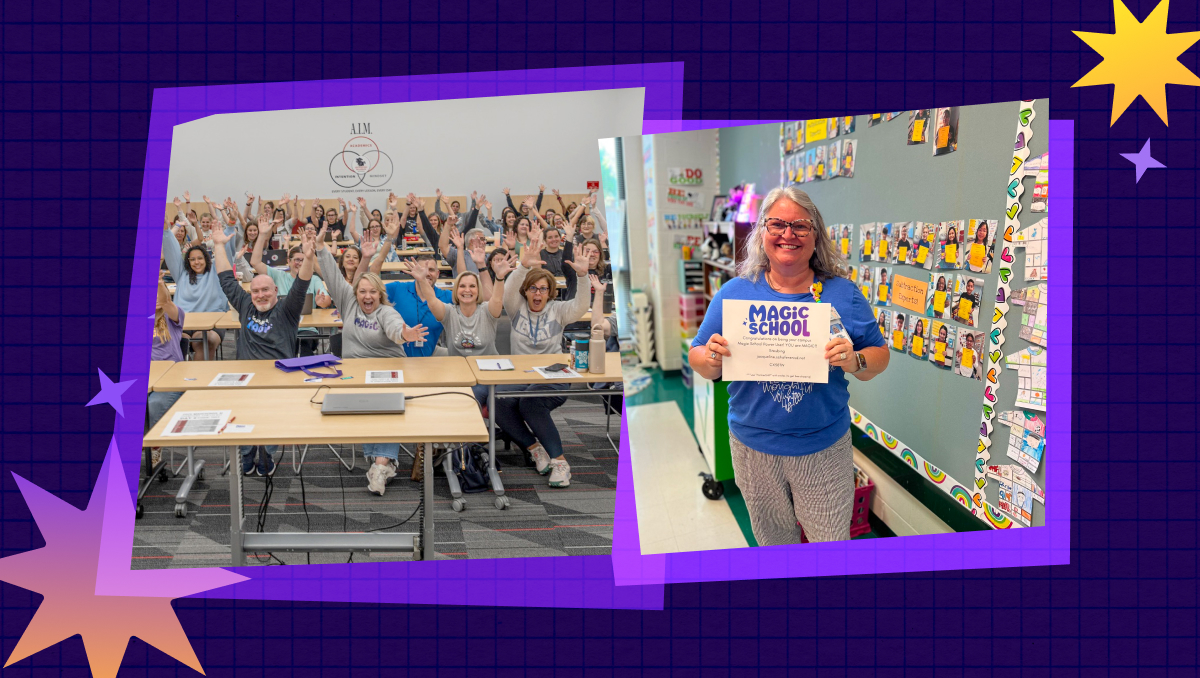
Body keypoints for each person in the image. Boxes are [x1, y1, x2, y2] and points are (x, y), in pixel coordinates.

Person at [688, 186, 889, 545]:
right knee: (773, 543)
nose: (788, 234)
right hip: (753, 448)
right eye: (777, 224)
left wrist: (855, 359)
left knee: (830, 543)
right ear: (762, 233)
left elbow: (879, 356)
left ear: (816, 235)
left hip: (823, 447)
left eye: (800, 225)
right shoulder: (734, 293)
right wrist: (710, 357)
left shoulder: (843, 294)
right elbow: (699, 358)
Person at [314, 234, 428, 495]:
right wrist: (321, 248)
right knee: (364, 400)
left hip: (389, 372)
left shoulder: (387, 312)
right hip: (356, 375)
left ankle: (380, 464)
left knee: (385, 402)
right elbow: (332, 275)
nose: (367, 296)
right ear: (356, 293)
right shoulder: (348, 303)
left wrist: (405, 334)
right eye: (362, 291)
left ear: (380, 294)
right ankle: (382, 464)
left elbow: (395, 327)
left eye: (372, 292)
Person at [209, 225, 317, 476]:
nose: (260, 295)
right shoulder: (245, 304)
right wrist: (217, 245)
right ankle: (247, 453)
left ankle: (267, 453)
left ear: (276, 292)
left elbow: (302, 283)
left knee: (271, 417)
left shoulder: (288, 310)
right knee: (243, 414)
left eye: (265, 290)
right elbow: (225, 277)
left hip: (279, 378)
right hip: (244, 378)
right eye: (255, 291)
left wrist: (309, 258)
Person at [498, 231, 591, 488]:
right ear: (525, 291)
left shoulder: (558, 311)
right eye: (532, 289)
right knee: (498, 401)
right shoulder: (516, 309)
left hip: (554, 377)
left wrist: (582, 277)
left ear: (550, 292)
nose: (537, 294)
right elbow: (507, 291)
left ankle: (560, 462)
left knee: (531, 406)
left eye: (543, 289)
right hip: (519, 377)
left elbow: (581, 306)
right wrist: (523, 266)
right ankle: (535, 448)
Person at [407, 251, 512, 406]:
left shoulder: (487, 311)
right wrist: (422, 280)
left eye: (472, 286)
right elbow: (431, 299)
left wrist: (500, 277)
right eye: (462, 286)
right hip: (459, 375)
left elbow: (497, 298)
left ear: (478, 290)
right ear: (456, 290)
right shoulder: (449, 312)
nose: (467, 290)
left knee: (468, 397)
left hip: (488, 376)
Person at [161, 220, 230, 361]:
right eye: (192, 259)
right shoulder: (182, 273)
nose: (196, 262)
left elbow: (227, 255)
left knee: (205, 341)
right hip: (183, 323)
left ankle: (199, 378)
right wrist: (166, 230)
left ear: (207, 259)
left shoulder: (216, 272)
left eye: (200, 258)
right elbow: (171, 252)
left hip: (212, 323)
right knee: (175, 341)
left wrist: (226, 233)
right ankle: (183, 376)